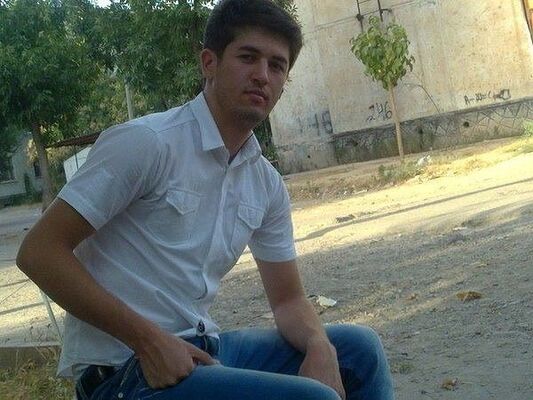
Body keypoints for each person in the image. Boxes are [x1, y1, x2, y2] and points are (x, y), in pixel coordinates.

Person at [17, 0, 394, 399]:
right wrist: (148, 341)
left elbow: (288, 300)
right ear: (209, 63)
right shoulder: (147, 144)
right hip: (124, 370)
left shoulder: (264, 183)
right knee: (311, 398)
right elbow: (39, 252)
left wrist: (320, 346)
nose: (262, 75)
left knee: (358, 349)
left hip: (204, 351)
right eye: (248, 57)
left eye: (277, 65)